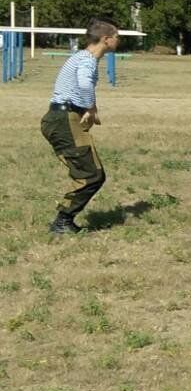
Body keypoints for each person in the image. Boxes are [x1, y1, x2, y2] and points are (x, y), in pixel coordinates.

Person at [40, 19, 120, 234]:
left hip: (62, 117)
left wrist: (86, 111)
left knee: (90, 172)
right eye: (116, 36)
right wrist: (91, 108)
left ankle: (64, 221)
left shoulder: (81, 58)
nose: (118, 40)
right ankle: (62, 222)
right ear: (106, 39)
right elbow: (84, 84)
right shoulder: (87, 60)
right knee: (92, 175)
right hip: (63, 119)